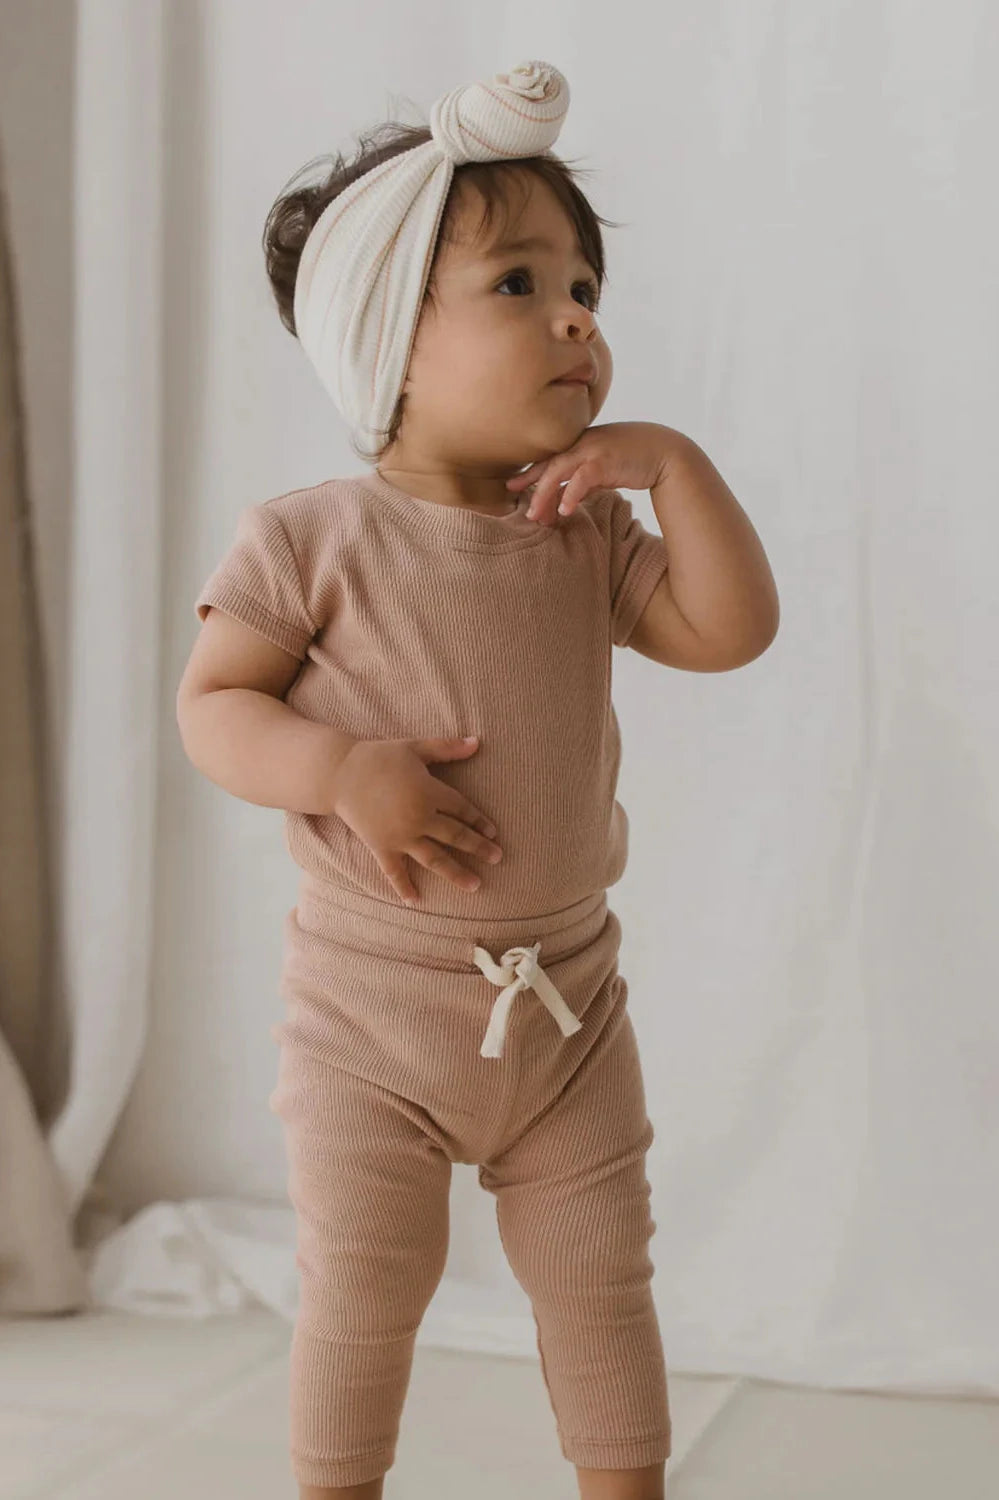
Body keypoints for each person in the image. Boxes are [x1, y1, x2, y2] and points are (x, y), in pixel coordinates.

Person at [177, 60, 778, 1500]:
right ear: (387, 340)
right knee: (367, 1287)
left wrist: (676, 470)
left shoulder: (577, 531)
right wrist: (338, 767)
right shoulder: (311, 536)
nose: (577, 316)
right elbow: (214, 710)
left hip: (565, 1006)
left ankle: (625, 1484)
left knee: (599, 1280)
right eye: (520, 286)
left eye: (586, 289)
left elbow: (728, 630)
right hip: (369, 1017)